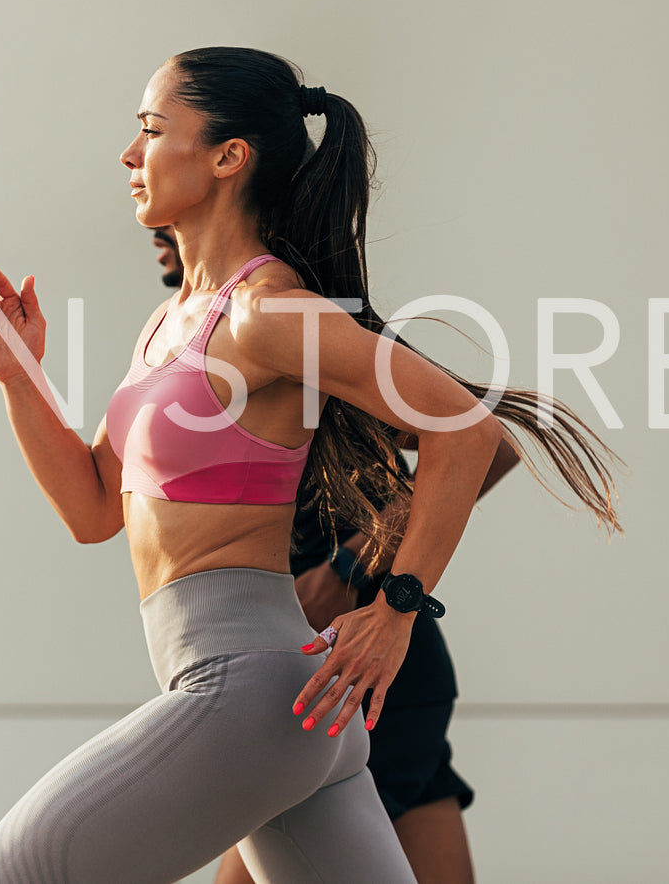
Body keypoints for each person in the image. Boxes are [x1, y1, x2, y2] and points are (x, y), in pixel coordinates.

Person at [0, 47, 623, 884]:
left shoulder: (263, 313)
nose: (130, 155)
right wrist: (20, 377)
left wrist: (393, 606)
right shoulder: (172, 322)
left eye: (153, 131)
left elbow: (467, 429)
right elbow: (94, 508)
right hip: (286, 699)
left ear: (229, 156)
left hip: (247, 691)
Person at [149, 225, 511, 884]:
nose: (155, 232)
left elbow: (486, 441)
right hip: (338, 669)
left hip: (354, 669)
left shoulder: (294, 324)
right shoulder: (198, 333)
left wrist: (348, 572)